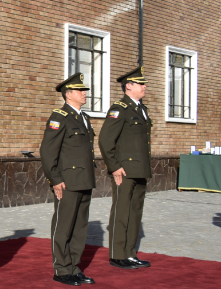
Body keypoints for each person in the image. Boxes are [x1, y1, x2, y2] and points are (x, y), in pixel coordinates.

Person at [40, 73, 96, 286]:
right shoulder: (59, 116)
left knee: (80, 227)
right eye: (80, 90)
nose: (84, 93)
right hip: (67, 181)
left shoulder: (84, 117)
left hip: (84, 179)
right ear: (68, 94)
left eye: (84, 90)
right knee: (64, 226)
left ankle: (74, 266)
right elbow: (47, 150)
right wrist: (54, 178)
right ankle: (62, 269)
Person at [98, 66, 151, 270]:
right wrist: (114, 167)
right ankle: (118, 254)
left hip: (140, 169)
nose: (144, 86)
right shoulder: (119, 108)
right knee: (122, 211)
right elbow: (105, 140)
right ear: (129, 86)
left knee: (135, 211)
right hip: (125, 170)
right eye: (141, 83)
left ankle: (130, 253)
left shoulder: (141, 109)